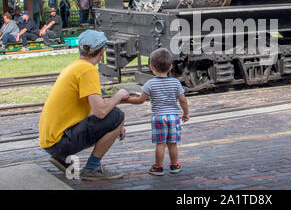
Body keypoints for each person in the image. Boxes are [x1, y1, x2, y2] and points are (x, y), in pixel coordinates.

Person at [39, 29, 130, 181]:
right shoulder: (88, 70)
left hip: (50, 141)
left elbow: (92, 111)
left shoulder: (75, 67)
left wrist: (115, 126)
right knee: (117, 115)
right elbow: (100, 112)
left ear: (79, 48)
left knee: (114, 118)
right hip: (59, 143)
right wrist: (119, 95)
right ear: (102, 52)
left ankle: (61, 158)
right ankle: (92, 168)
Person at [122, 48, 189, 176]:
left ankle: (158, 167)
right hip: (173, 117)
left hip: (158, 117)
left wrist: (126, 100)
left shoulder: (150, 84)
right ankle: (174, 166)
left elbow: (140, 100)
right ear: (170, 67)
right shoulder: (176, 82)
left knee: (160, 144)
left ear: (152, 67)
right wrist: (186, 113)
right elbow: (183, 101)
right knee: (173, 143)